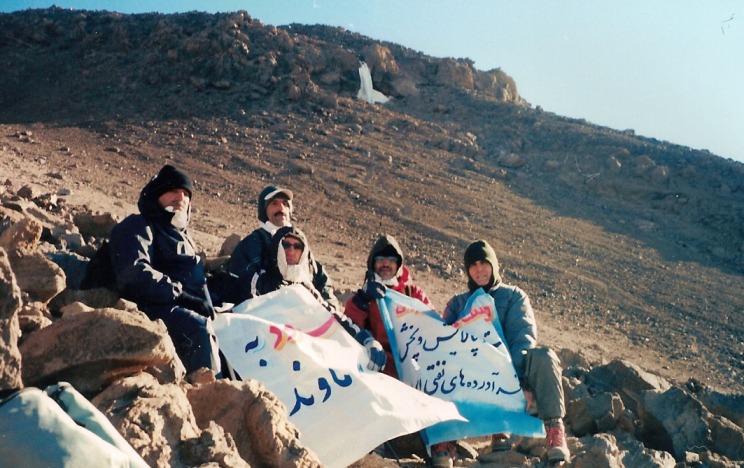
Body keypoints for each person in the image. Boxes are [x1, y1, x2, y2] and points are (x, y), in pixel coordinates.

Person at [435, 239, 569, 466]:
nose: (479, 269)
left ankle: (555, 432)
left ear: (494, 265)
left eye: (484, 263)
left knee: (544, 356)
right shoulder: (458, 304)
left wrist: (516, 383)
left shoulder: (514, 296)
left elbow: (522, 339)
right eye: (473, 265)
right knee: (439, 363)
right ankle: (445, 439)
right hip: (472, 376)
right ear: (468, 270)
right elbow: (441, 341)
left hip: (512, 375)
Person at [107, 164, 221, 376]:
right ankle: (208, 394)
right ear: (156, 195)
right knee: (198, 328)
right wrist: (181, 295)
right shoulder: (139, 225)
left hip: (177, 304)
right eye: (172, 190)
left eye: (186, 193)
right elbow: (134, 271)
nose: (180, 197)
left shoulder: (184, 238)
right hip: (149, 306)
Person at [248, 225, 387, 372]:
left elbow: (333, 317)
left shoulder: (306, 289)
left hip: (301, 364)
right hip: (266, 359)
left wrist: (367, 339)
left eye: (297, 246)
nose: (291, 251)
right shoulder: (258, 281)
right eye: (285, 244)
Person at [229, 185, 337, 306]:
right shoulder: (253, 243)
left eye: (285, 204)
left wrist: (329, 307)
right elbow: (242, 287)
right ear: (263, 210)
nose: (281, 208)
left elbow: (322, 281)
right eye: (274, 203)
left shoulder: (298, 240)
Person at [344, 235, 431, 378]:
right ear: (372, 263)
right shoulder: (366, 295)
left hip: (410, 370)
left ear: (399, 265)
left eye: (391, 260)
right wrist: (362, 300)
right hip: (377, 366)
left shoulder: (412, 293)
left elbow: (433, 326)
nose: (385, 263)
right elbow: (348, 328)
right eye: (380, 259)